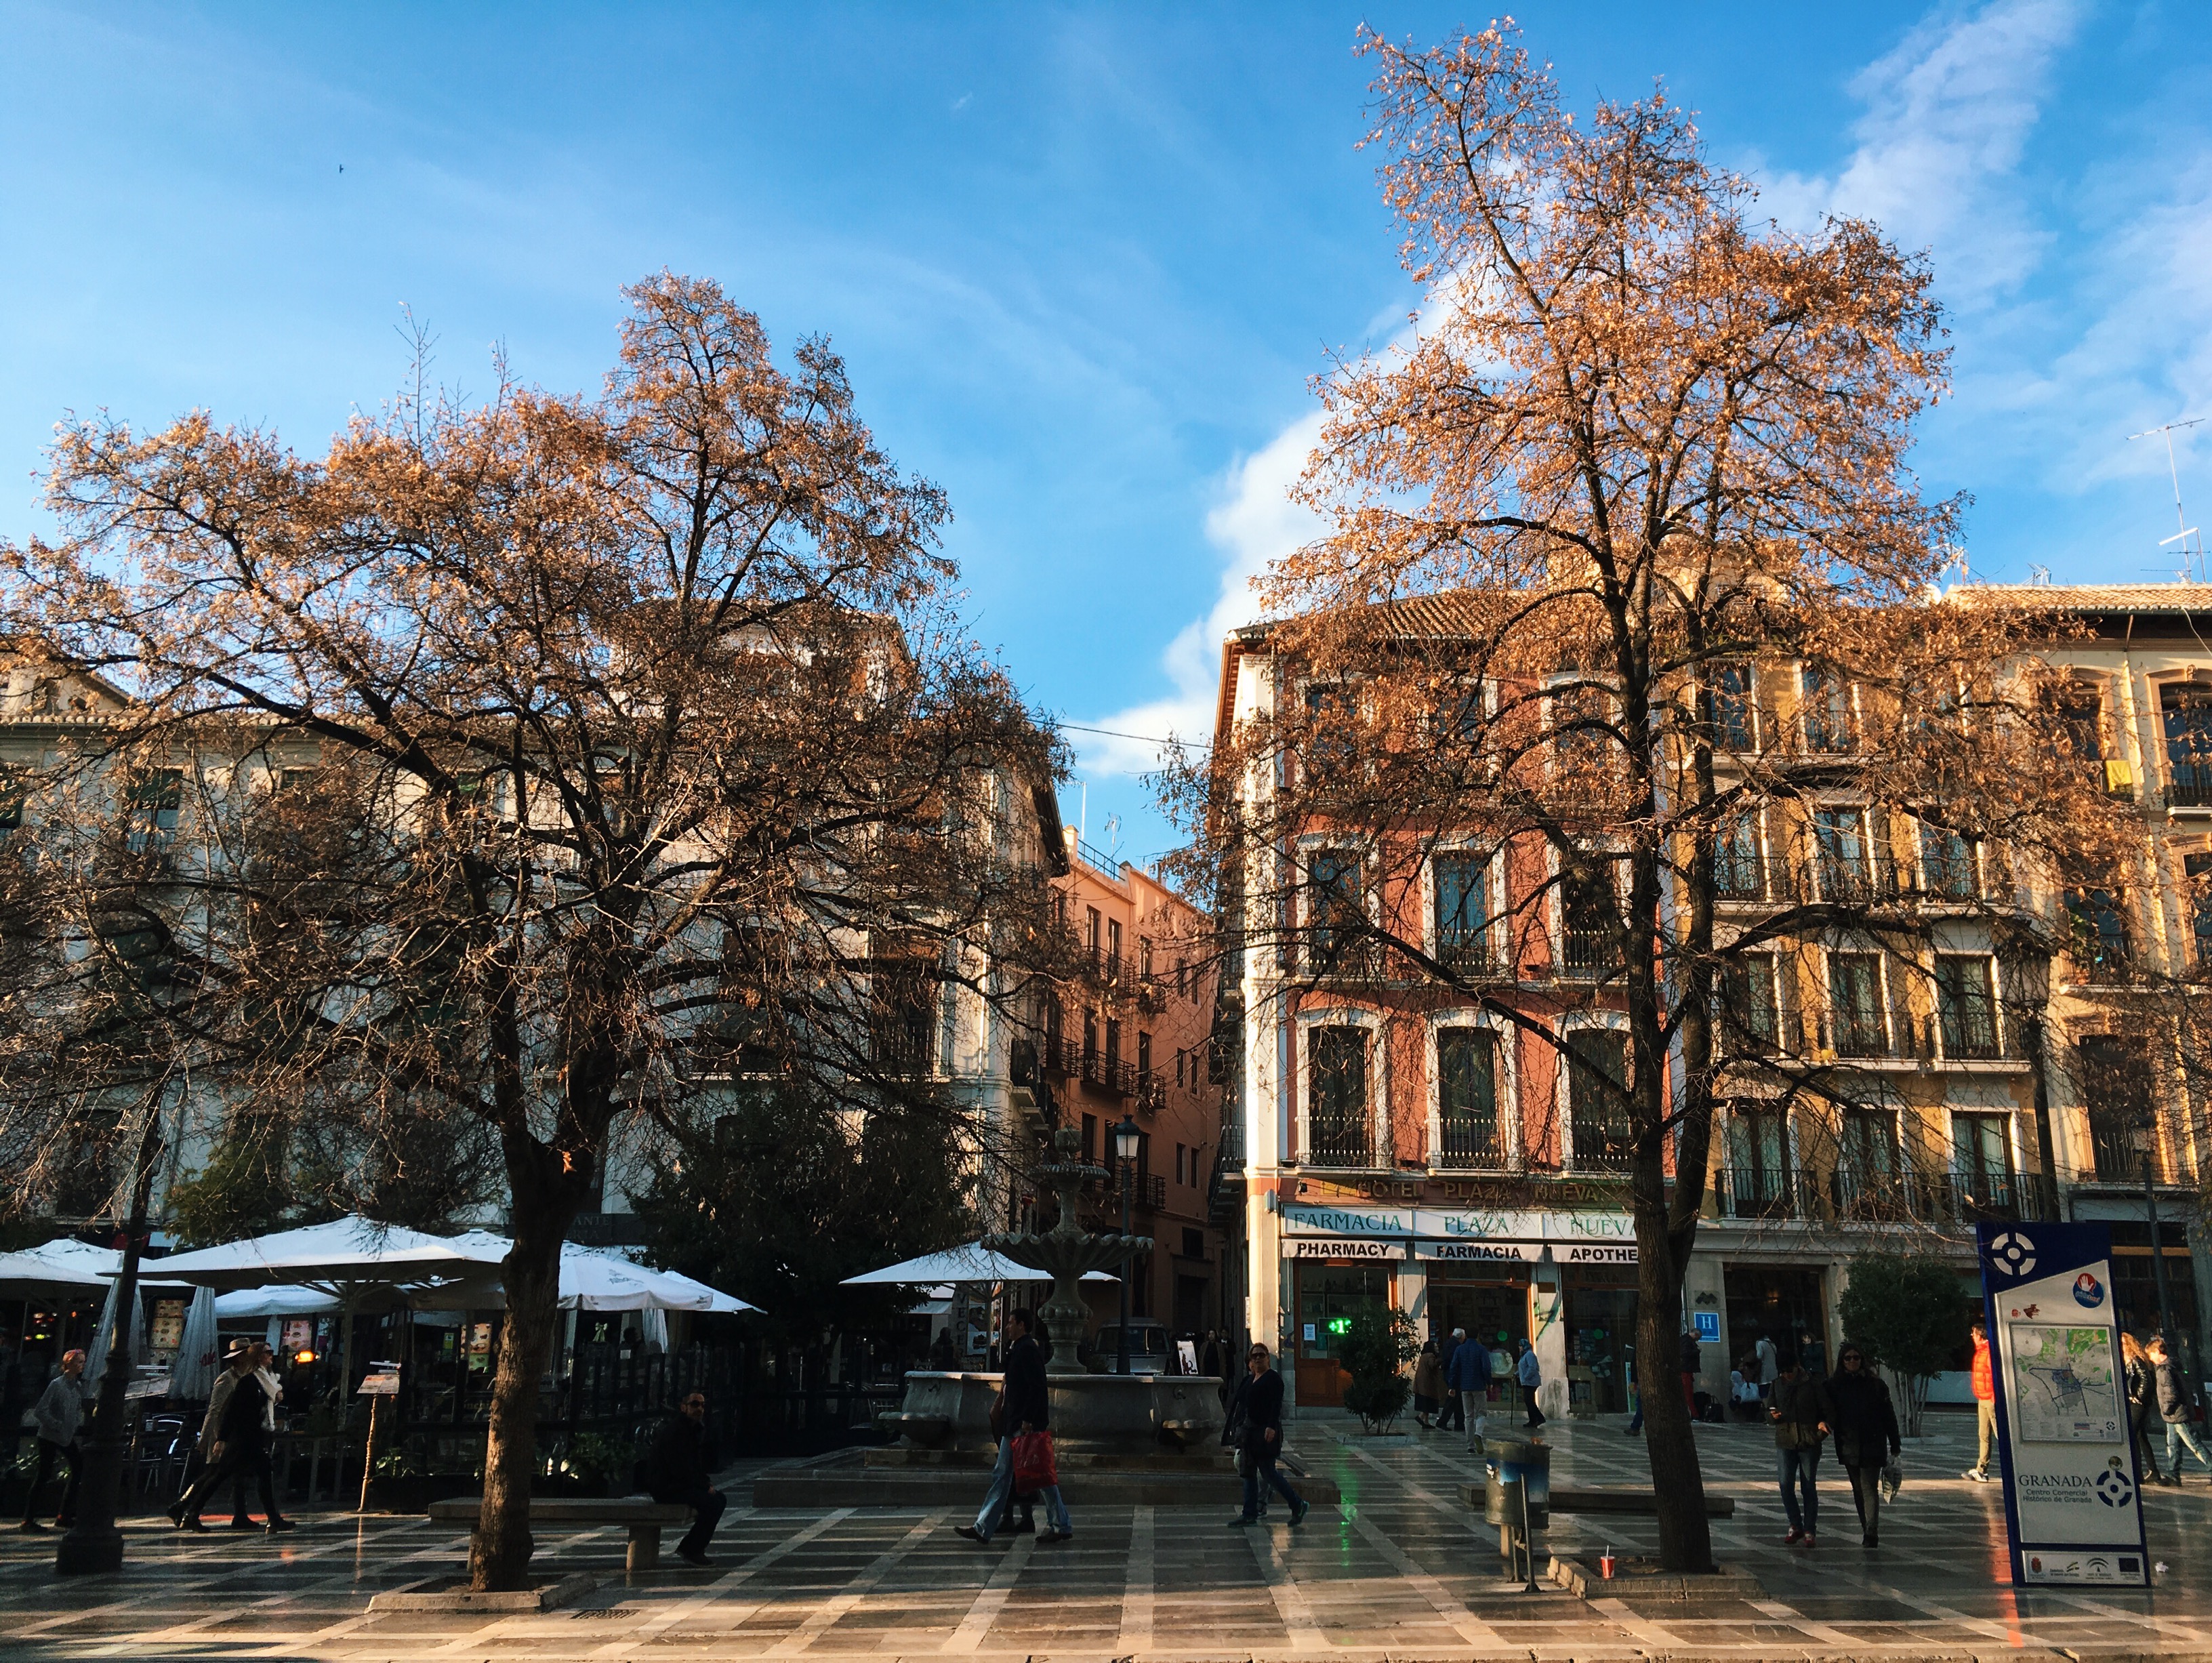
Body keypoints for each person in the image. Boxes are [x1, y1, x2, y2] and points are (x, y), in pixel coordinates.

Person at [955, 1308, 1069, 1545]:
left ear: (1022, 1325)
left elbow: (1036, 1387)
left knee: (1021, 1475)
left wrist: (1028, 1420)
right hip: (1017, 1422)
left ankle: (984, 1527)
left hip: (1021, 1424)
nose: (1007, 1327)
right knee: (1022, 1475)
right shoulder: (1020, 1349)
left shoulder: (1027, 1350)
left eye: (1010, 1323)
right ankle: (1058, 1524)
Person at [174, 1341, 291, 1534]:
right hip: (242, 1438)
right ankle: (190, 1513)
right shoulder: (247, 1381)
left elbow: (259, 1407)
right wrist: (220, 1439)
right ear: (258, 1357)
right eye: (268, 1352)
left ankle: (272, 1519)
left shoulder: (264, 1381)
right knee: (220, 1475)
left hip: (252, 1436)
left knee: (252, 1474)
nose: (272, 1356)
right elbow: (229, 1411)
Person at [1225, 1342, 1309, 1527]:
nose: (1257, 1358)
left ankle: (1298, 1504)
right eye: (1254, 1356)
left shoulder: (1273, 1379)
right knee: (1248, 1473)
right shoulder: (1249, 1380)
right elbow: (1240, 1403)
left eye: (1261, 1355)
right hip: (1249, 1433)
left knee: (1269, 1473)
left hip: (1264, 1433)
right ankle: (1249, 1513)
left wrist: (1271, 1427)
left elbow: (1276, 1405)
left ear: (1268, 1358)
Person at [641, 1389, 727, 1565]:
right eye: (695, 1404)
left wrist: (705, 1483)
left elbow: (693, 1465)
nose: (700, 1409)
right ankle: (692, 1549)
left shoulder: (691, 1430)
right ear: (683, 1407)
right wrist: (704, 1486)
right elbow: (681, 1468)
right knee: (712, 1504)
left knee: (718, 1500)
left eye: (702, 1405)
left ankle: (692, 1547)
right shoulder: (677, 1432)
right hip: (667, 1488)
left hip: (677, 1484)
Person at [1826, 1342, 1899, 1547]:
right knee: (1857, 1488)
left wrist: (1895, 1444)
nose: (1852, 1362)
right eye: (1847, 1358)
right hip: (1848, 1444)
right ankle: (1865, 1525)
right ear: (1842, 1361)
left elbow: (1889, 1416)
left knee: (1868, 1488)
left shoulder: (1876, 1385)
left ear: (1862, 1360)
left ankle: (1871, 1531)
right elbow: (1824, 1408)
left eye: (1856, 1358)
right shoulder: (1834, 1385)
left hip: (1873, 1443)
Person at [18, 1347, 86, 1532]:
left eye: (83, 1362)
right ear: (68, 1364)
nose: (82, 1366)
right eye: (79, 1362)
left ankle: (63, 1515)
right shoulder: (57, 1385)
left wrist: (73, 1425)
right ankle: (28, 1520)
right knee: (44, 1474)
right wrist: (56, 1424)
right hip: (49, 1435)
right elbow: (41, 1409)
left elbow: (75, 1409)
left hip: (64, 1435)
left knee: (77, 1468)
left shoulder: (76, 1387)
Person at [1769, 1349, 1830, 1548]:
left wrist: (1822, 1430)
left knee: (1808, 1486)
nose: (1787, 1375)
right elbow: (1769, 1409)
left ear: (1798, 1366)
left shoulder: (1812, 1384)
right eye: (1783, 1371)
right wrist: (1772, 1416)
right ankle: (1795, 1524)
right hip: (1786, 1440)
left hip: (1808, 1441)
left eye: (1790, 1370)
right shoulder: (1777, 1385)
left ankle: (1810, 1529)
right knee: (1785, 1484)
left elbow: (1827, 1410)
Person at [2149, 1334, 2212, 1483]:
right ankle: (2173, 1474)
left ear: (2158, 1352)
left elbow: (2171, 1393)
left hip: (2176, 1413)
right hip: (2174, 1414)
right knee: (2173, 1444)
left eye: (2151, 1354)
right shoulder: (2174, 1366)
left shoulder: (2164, 1370)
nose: (2151, 1358)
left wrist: (2166, 1409)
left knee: (2193, 1443)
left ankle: (2209, 1466)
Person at [2122, 1333, 2169, 1485]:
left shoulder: (2135, 1360)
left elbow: (2145, 1379)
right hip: (2135, 1401)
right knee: (2141, 1436)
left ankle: (2137, 1472)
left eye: (2123, 1344)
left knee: (2133, 1434)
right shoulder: (2127, 1361)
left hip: (2138, 1403)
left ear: (2128, 1345)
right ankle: (2153, 1471)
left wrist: (2138, 1396)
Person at [1962, 1317, 1995, 1482]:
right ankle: (1981, 1470)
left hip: (1991, 1399)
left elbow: (1995, 1376)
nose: (1972, 1336)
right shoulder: (1981, 1351)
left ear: (1980, 1335)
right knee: (1983, 1435)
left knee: (2000, 1434)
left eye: (1973, 1334)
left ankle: (2016, 1467)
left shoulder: (1989, 1351)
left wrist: (1995, 1398)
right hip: (1982, 1398)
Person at [1412, 1338, 1441, 1431]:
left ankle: (1426, 1422)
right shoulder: (1430, 1356)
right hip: (1427, 1384)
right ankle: (1421, 1417)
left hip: (1422, 1384)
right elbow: (1432, 1365)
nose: (1437, 1348)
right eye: (1435, 1347)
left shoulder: (1423, 1356)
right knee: (1428, 1402)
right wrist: (1440, 1360)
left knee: (1426, 1402)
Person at [1515, 1338, 1544, 1429]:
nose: (1519, 1348)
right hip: (1526, 1382)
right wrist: (1516, 1374)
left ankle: (1539, 1418)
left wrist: (1525, 1377)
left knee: (1529, 1401)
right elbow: (1522, 1368)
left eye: (1521, 1346)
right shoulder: (1524, 1356)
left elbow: (1532, 1368)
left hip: (1531, 1382)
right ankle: (1533, 1420)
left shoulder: (1530, 1355)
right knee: (1528, 1401)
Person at [1677, 1328, 1702, 1413]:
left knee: (1688, 1393)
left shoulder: (1684, 1340)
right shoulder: (1687, 1341)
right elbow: (1684, 1353)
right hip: (1686, 1370)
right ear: (1696, 1335)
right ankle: (1693, 1413)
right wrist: (1696, 1352)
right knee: (1688, 1393)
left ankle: (1692, 1413)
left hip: (1685, 1369)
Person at [1756, 1333, 1779, 1401]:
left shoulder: (1760, 1343)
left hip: (1765, 1373)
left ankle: (1766, 1408)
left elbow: (1759, 1356)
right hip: (1774, 1372)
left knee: (1764, 1394)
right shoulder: (1772, 1344)